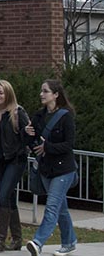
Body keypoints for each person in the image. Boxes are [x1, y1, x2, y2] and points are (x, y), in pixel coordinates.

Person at [24, 80, 78, 256]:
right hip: (46, 169)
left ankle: (38, 242)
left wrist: (48, 147)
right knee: (61, 209)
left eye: (45, 91)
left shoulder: (66, 116)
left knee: (52, 206)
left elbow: (68, 145)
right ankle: (69, 242)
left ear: (55, 95)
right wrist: (27, 134)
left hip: (64, 170)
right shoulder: (39, 116)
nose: (41, 94)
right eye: (41, 91)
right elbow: (32, 143)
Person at [0, 79, 30, 252]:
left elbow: (29, 134)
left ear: (8, 94)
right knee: (9, 198)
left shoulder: (17, 112)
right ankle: (17, 239)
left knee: (3, 195)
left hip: (15, 159)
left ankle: (0, 239)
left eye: (1, 92)